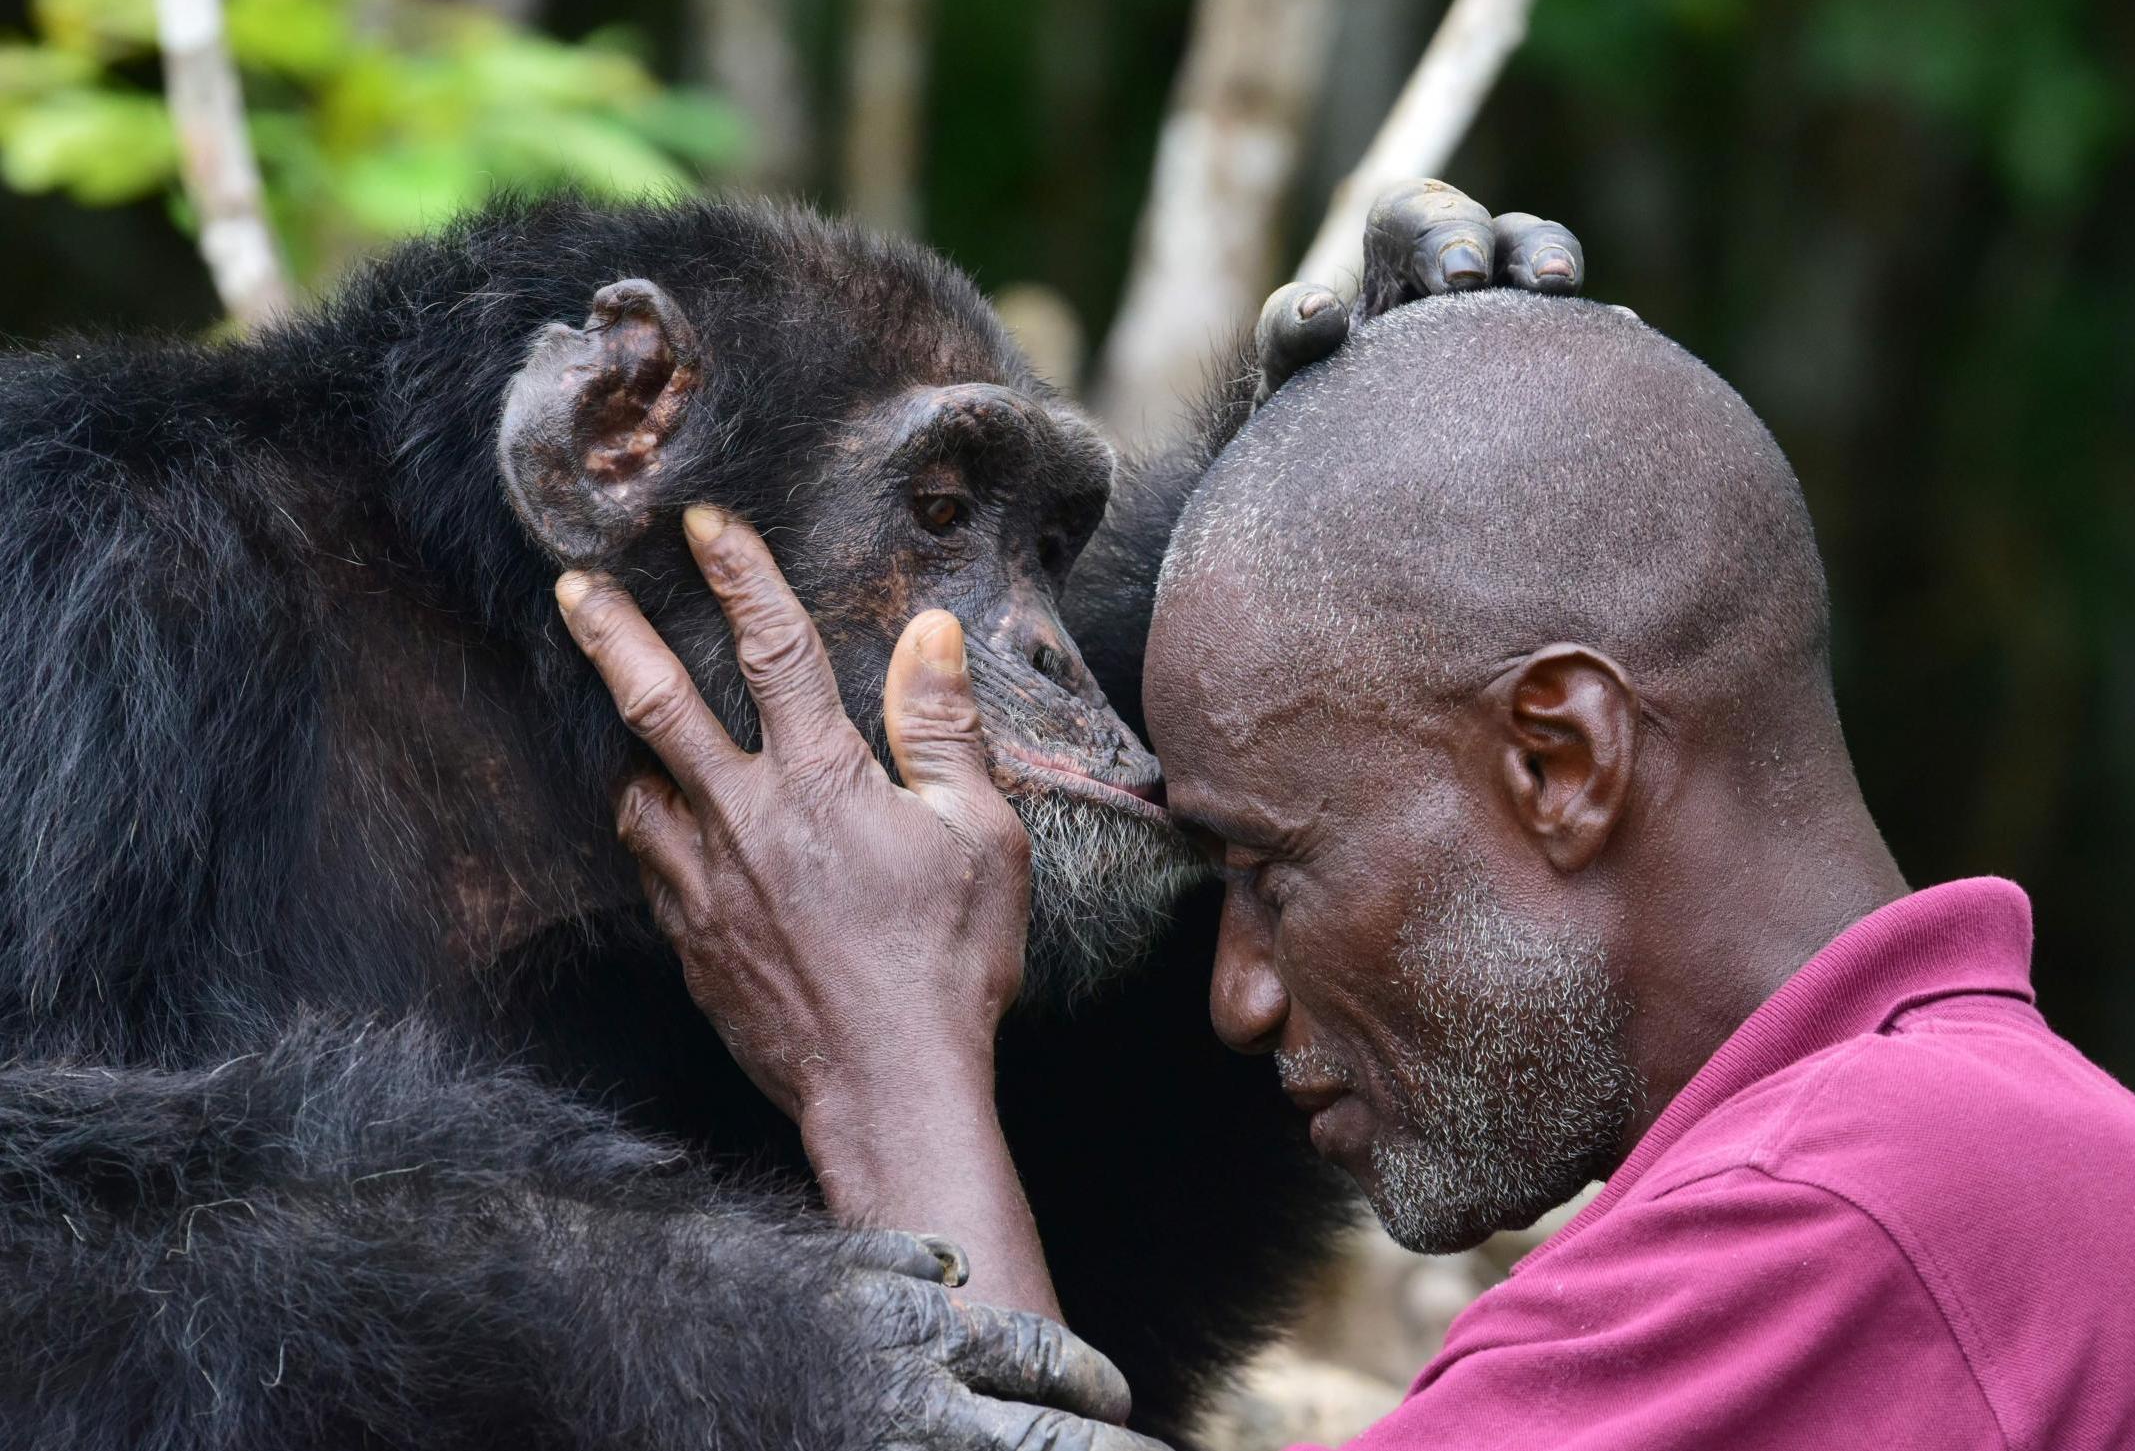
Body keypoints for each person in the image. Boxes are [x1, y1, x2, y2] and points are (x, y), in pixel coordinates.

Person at [555, 272, 2135, 1446]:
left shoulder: (1863, 1214)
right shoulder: (1958, 1162)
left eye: (1271, 871)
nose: (1234, 994)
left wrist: (883, 1048)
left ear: (1560, 763)